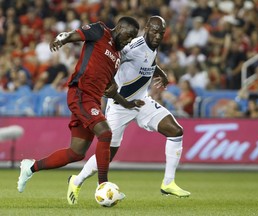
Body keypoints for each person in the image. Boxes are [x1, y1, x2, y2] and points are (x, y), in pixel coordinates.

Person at [67, 16, 191, 205]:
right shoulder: (132, 47)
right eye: (155, 31)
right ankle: (76, 181)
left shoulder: (152, 46)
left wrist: (161, 73)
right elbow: (113, 55)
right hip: (120, 106)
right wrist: (108, 85)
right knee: (108, 155)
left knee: (176, 131)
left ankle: (168, 183)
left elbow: (147, 62)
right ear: (147, 28)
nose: (158, 36)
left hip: (142, 102)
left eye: (161, 33)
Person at [17, 17, 143, 197]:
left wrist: (126, 103)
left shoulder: (117, 56)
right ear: (120, 27)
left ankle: (31, 167)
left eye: (132, 38)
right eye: (128, 35)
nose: (129, 40)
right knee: (105, 133)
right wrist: (63, 39)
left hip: (93, 100)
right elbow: (75, 35)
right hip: (80, 94)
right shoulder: (101, 31)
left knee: (76, 153)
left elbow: (110, 90)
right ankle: (103, 185)